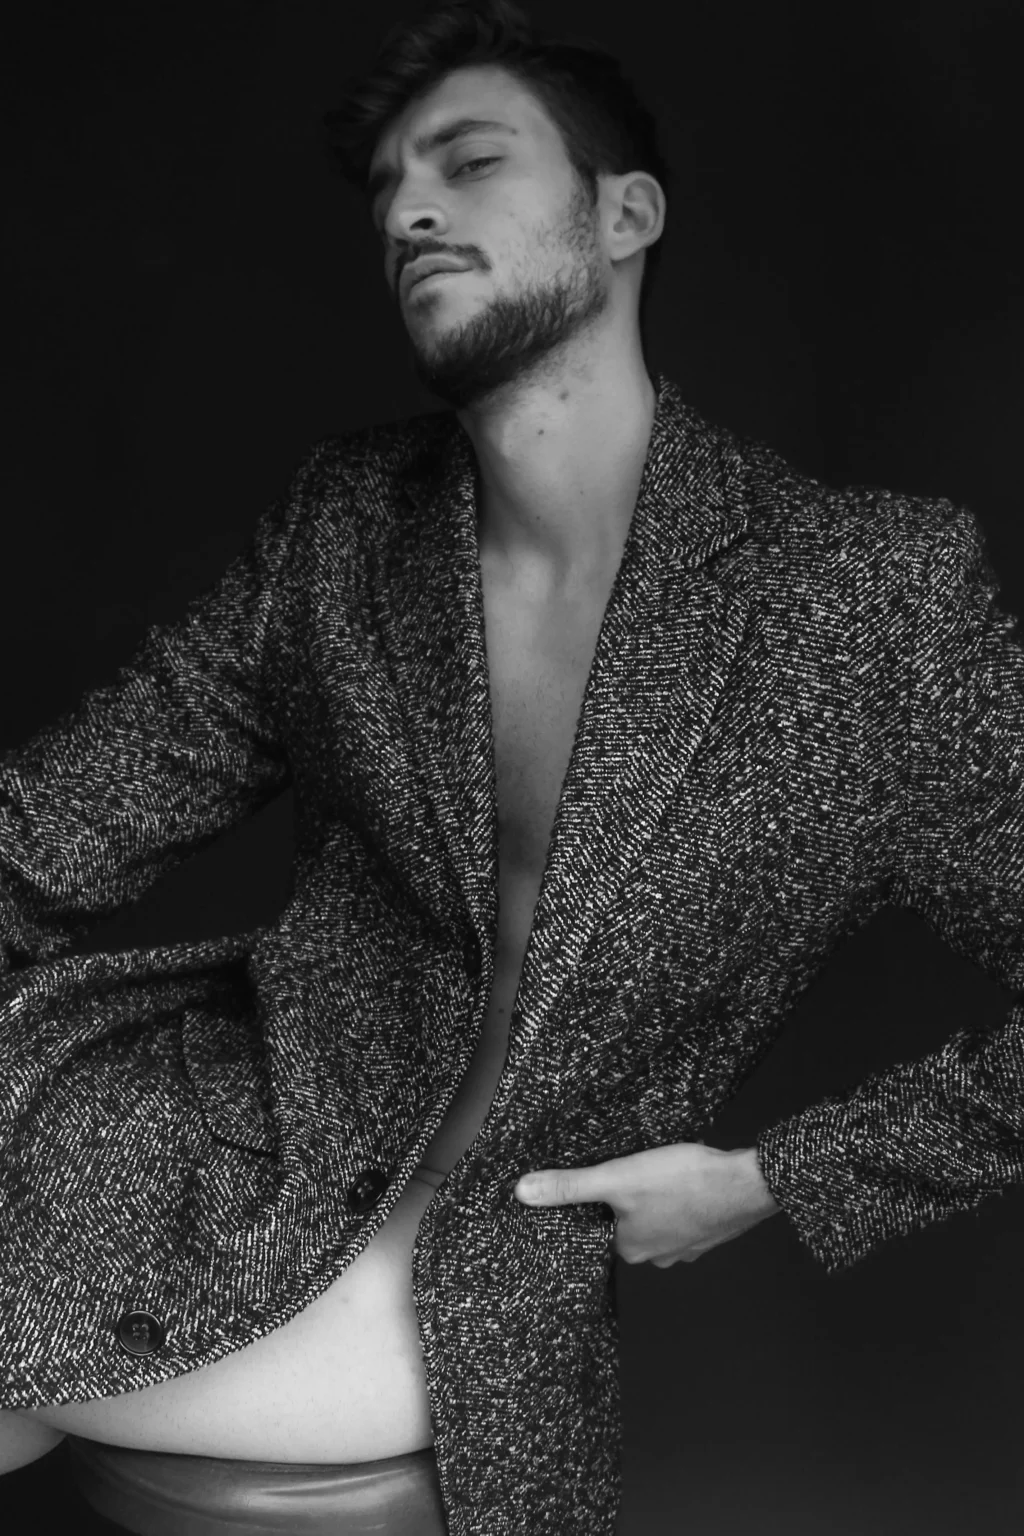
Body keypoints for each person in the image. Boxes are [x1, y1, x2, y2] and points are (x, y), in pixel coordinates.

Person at [2, 0, 1023, 1532]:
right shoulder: (347, 525)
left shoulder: (865, 598)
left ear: (625, 215)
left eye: (469, 163)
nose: (408, 212)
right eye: (390, 187)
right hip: (194, 1156)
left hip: (452, 1295)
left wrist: (772, 1179)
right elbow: (50, 830)